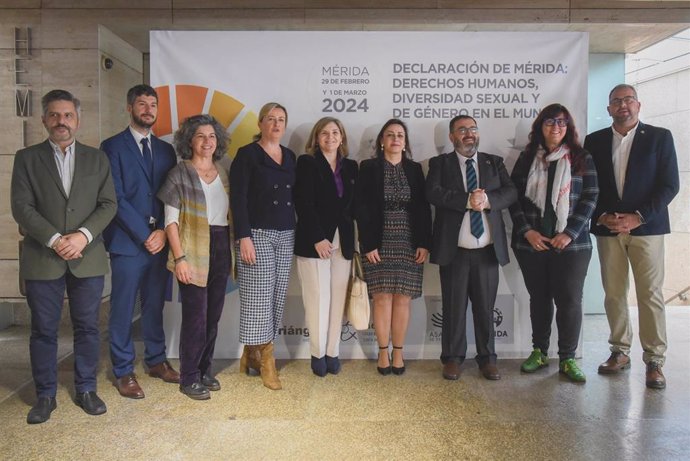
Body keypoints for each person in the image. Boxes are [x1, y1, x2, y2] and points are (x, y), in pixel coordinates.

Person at [11, 89, 117, 423]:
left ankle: (86, 389)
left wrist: (82, 236)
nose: (62, 121)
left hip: (87, 257)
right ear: (44, 119)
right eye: (55, 115)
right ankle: (45, 395)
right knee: (43, 329)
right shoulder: (26, 158)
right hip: (43, 257)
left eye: (68, 115)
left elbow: (108, 204)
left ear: (78, 120)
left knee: (87, 327)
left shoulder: (96, 158)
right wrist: (56, 239)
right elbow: (21, 207)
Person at [584, 84, 679, 389]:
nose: (622, 105)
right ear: (608, 108)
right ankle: (619, 351)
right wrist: (601, 216)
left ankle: (654, 360)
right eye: (616, 101)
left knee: (649, 294)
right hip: (608, 228)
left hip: (647, 228)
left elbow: (669, 184)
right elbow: (587, 184)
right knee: (613, 292)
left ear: (639, 105)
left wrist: (638, 217)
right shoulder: (594, 141)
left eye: (628, 100)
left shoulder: (659, 137)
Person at [509, 104, 599, 383]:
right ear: (540, 127)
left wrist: (569, 233)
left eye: (562, 122)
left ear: (568, 127)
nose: (556, 127)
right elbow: (513, 199)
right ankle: (539, 350)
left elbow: (591, 197)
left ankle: (568, 357)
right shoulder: (526, 159)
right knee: (540, 298)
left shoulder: (582, 157)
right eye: (550, 121)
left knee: (570, 300)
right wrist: (528, 232)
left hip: (572, 246)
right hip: (533, 244)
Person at [100, 84, 179, 399]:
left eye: (152, 104)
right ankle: (122, 371)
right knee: (122, 308)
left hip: (159, 242)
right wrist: (144, 234)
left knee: (154, 305)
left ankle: (156, 361)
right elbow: (114, 197)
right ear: (129, 107)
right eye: (142, 104)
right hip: (127, 242)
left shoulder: (166, 150)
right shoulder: (112, 147)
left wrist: (161, 230)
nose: (148, 109)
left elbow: (171, 195)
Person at [426, 115, 516, 381]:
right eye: (462, 130)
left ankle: (487, 359)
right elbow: (432, 192)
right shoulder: (440, 163)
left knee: (485, 308)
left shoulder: (494, 162)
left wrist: (487, 200)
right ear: (452, 136)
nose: (469, 134)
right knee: (454, 308)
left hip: (487, 252)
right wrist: (467, 200)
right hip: (454, 252)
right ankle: (452, 359)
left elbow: (511, 193)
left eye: (473, 129)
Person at [157, 114, 233, 400]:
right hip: (192, 249)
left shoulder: (222, 172)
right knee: (195, 318)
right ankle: (188, 377)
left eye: (212, 136)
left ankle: (204, 370)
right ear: (190, 140)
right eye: (201, 136)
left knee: (213, 317)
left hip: (220, 246)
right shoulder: (180, 173)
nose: (207, 141)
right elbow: (171, 222)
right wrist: (180, 259)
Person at [355, 118, 431, 376]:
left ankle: (399, 352)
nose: (395, 139)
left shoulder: (414, 169)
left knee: (403, 299)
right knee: (382, 298)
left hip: (408, 240)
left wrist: (423, 242)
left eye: (400, 135)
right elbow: (361, 208)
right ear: (381, 141)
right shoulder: (368, 167)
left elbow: (422, 208)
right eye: (390, 135)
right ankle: (383, 351)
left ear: (405, 141)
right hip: (379, 239)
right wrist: (368, 244)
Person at [230, 102, 296, 390]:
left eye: (281, 119)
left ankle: (251, 353)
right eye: (271, 119)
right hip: (256, 233)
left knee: (277, 295)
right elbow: (238, 198)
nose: (276, 124)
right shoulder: (247, 155)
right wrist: (243, 236)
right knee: (258, 298)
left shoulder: (290, 156)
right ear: (260, 124)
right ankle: (267, 358)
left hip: (286, 232)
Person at [294, 117, 358, 376]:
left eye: (335, 132)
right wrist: (318, 237)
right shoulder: (307, 163)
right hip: (315, 241)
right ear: (316, 138)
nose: (330, 137)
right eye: (324, 133)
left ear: (342, 137)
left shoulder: (352, 167)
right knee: (318, 298)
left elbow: (355, 205)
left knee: (337, 299)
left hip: (343, 241)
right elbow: (303, 202)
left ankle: (333, 352)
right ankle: (317, 354)